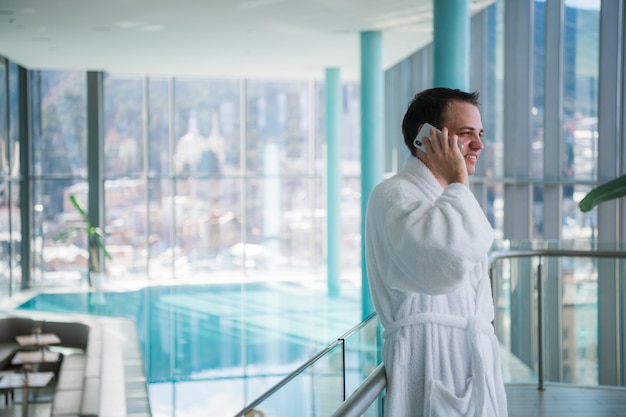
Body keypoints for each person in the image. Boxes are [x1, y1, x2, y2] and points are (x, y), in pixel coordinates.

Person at [365, 87, 508, 416]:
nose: (479, 145)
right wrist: (458, 177)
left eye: (480, 134)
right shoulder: (393, 194)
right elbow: (439, 264)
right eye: (466, 134)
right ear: (426, 137)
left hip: (469, 360)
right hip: (430, 361)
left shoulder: (448, 197)